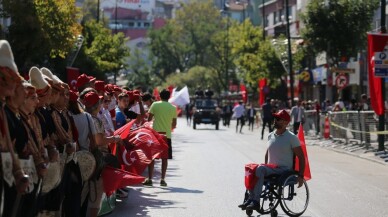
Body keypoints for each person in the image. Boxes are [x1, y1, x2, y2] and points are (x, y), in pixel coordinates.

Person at [239, 110, 305, 210]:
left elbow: (301, 157)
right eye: (275, 118)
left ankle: (255, 201)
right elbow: (267, 153)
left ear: (286, 123)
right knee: (251, 168)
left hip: (284, 170)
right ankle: (250, 199)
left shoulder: (292, 138)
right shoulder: (270, 135)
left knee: (260, 169)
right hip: (271, 168)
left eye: (278, 119)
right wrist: (264, 166)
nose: (275, 121)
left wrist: (300, 175)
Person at [143, 89, 177, 187]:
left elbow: (149, 120)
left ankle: (150, 179)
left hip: (154, 134)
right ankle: (162, 179)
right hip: (167, 135)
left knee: (152, 157)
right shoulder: (173, 108)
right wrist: (167, 126)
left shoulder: (155, 105)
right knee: (164, 158)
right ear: (169, 97)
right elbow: (174, 124)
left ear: (160, 96)